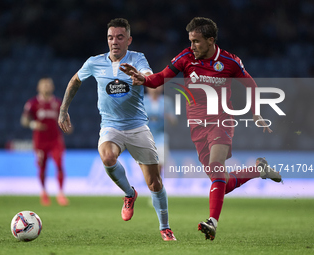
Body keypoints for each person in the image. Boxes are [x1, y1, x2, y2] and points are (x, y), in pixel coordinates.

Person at [120, 17, 282, 241]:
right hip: (197, 126)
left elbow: (251, 85)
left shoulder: (229, 61)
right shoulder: (186, 57)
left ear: (210, 40)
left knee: (216, 169)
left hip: (221, 122)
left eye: (196, 41)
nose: (191, 46)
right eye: (190, 41)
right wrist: (144, 79)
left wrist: (255, 113)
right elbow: (161, 78)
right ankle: (258, 170)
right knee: (221, 182)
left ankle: (212, 222)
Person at [58, 18, 176, 241]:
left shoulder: (137, 58)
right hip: (111, 126)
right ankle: (129, 194)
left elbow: (149, 75)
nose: (114, 41)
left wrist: (141, 77)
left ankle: (165, 227)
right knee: (107, 156)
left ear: (129, 40)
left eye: (120, 37)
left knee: (155, 182)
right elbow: (75, 80)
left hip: (138, 126)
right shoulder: (95, 62)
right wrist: (64, 109)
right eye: (111, 37)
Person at [21, 77, 69, 207]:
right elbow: (24, 120)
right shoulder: (32, 103)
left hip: (55, 140)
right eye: (44, 85)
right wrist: (33, 124)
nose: (47, 87)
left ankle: (60, 193)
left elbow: (64, 119)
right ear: (39, 88)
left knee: (59, 164)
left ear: (53, 87)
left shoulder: (58, 103)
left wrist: (67, 126)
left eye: (49, 85)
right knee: (42, 167)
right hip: (40, 141)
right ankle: (43, 192)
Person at [143, 86, 177, 173]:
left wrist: (168, 116)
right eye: (152, 86)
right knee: (147, 164)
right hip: (145, 137)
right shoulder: (142, 101)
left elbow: (174, 121)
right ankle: (149, 182)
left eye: (158, 86)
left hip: (161, 136)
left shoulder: (166, 102)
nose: (155, 88)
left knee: (159, 162)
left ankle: (157, 183)